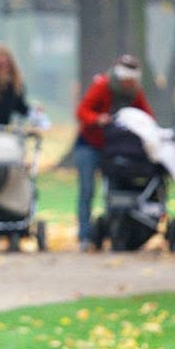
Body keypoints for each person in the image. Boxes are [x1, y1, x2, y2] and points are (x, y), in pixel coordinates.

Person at [74, 54, 154, 251]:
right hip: (89, 144)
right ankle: (85, 235)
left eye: (132, 81)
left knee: (114, 190)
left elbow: (147, 116)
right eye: (126, 81)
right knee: (87, 189)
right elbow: (82, 111)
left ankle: (114, 231)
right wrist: (97, 119)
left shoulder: (135, 93)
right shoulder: (102, 86)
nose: (128, 85)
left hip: (115, 148)